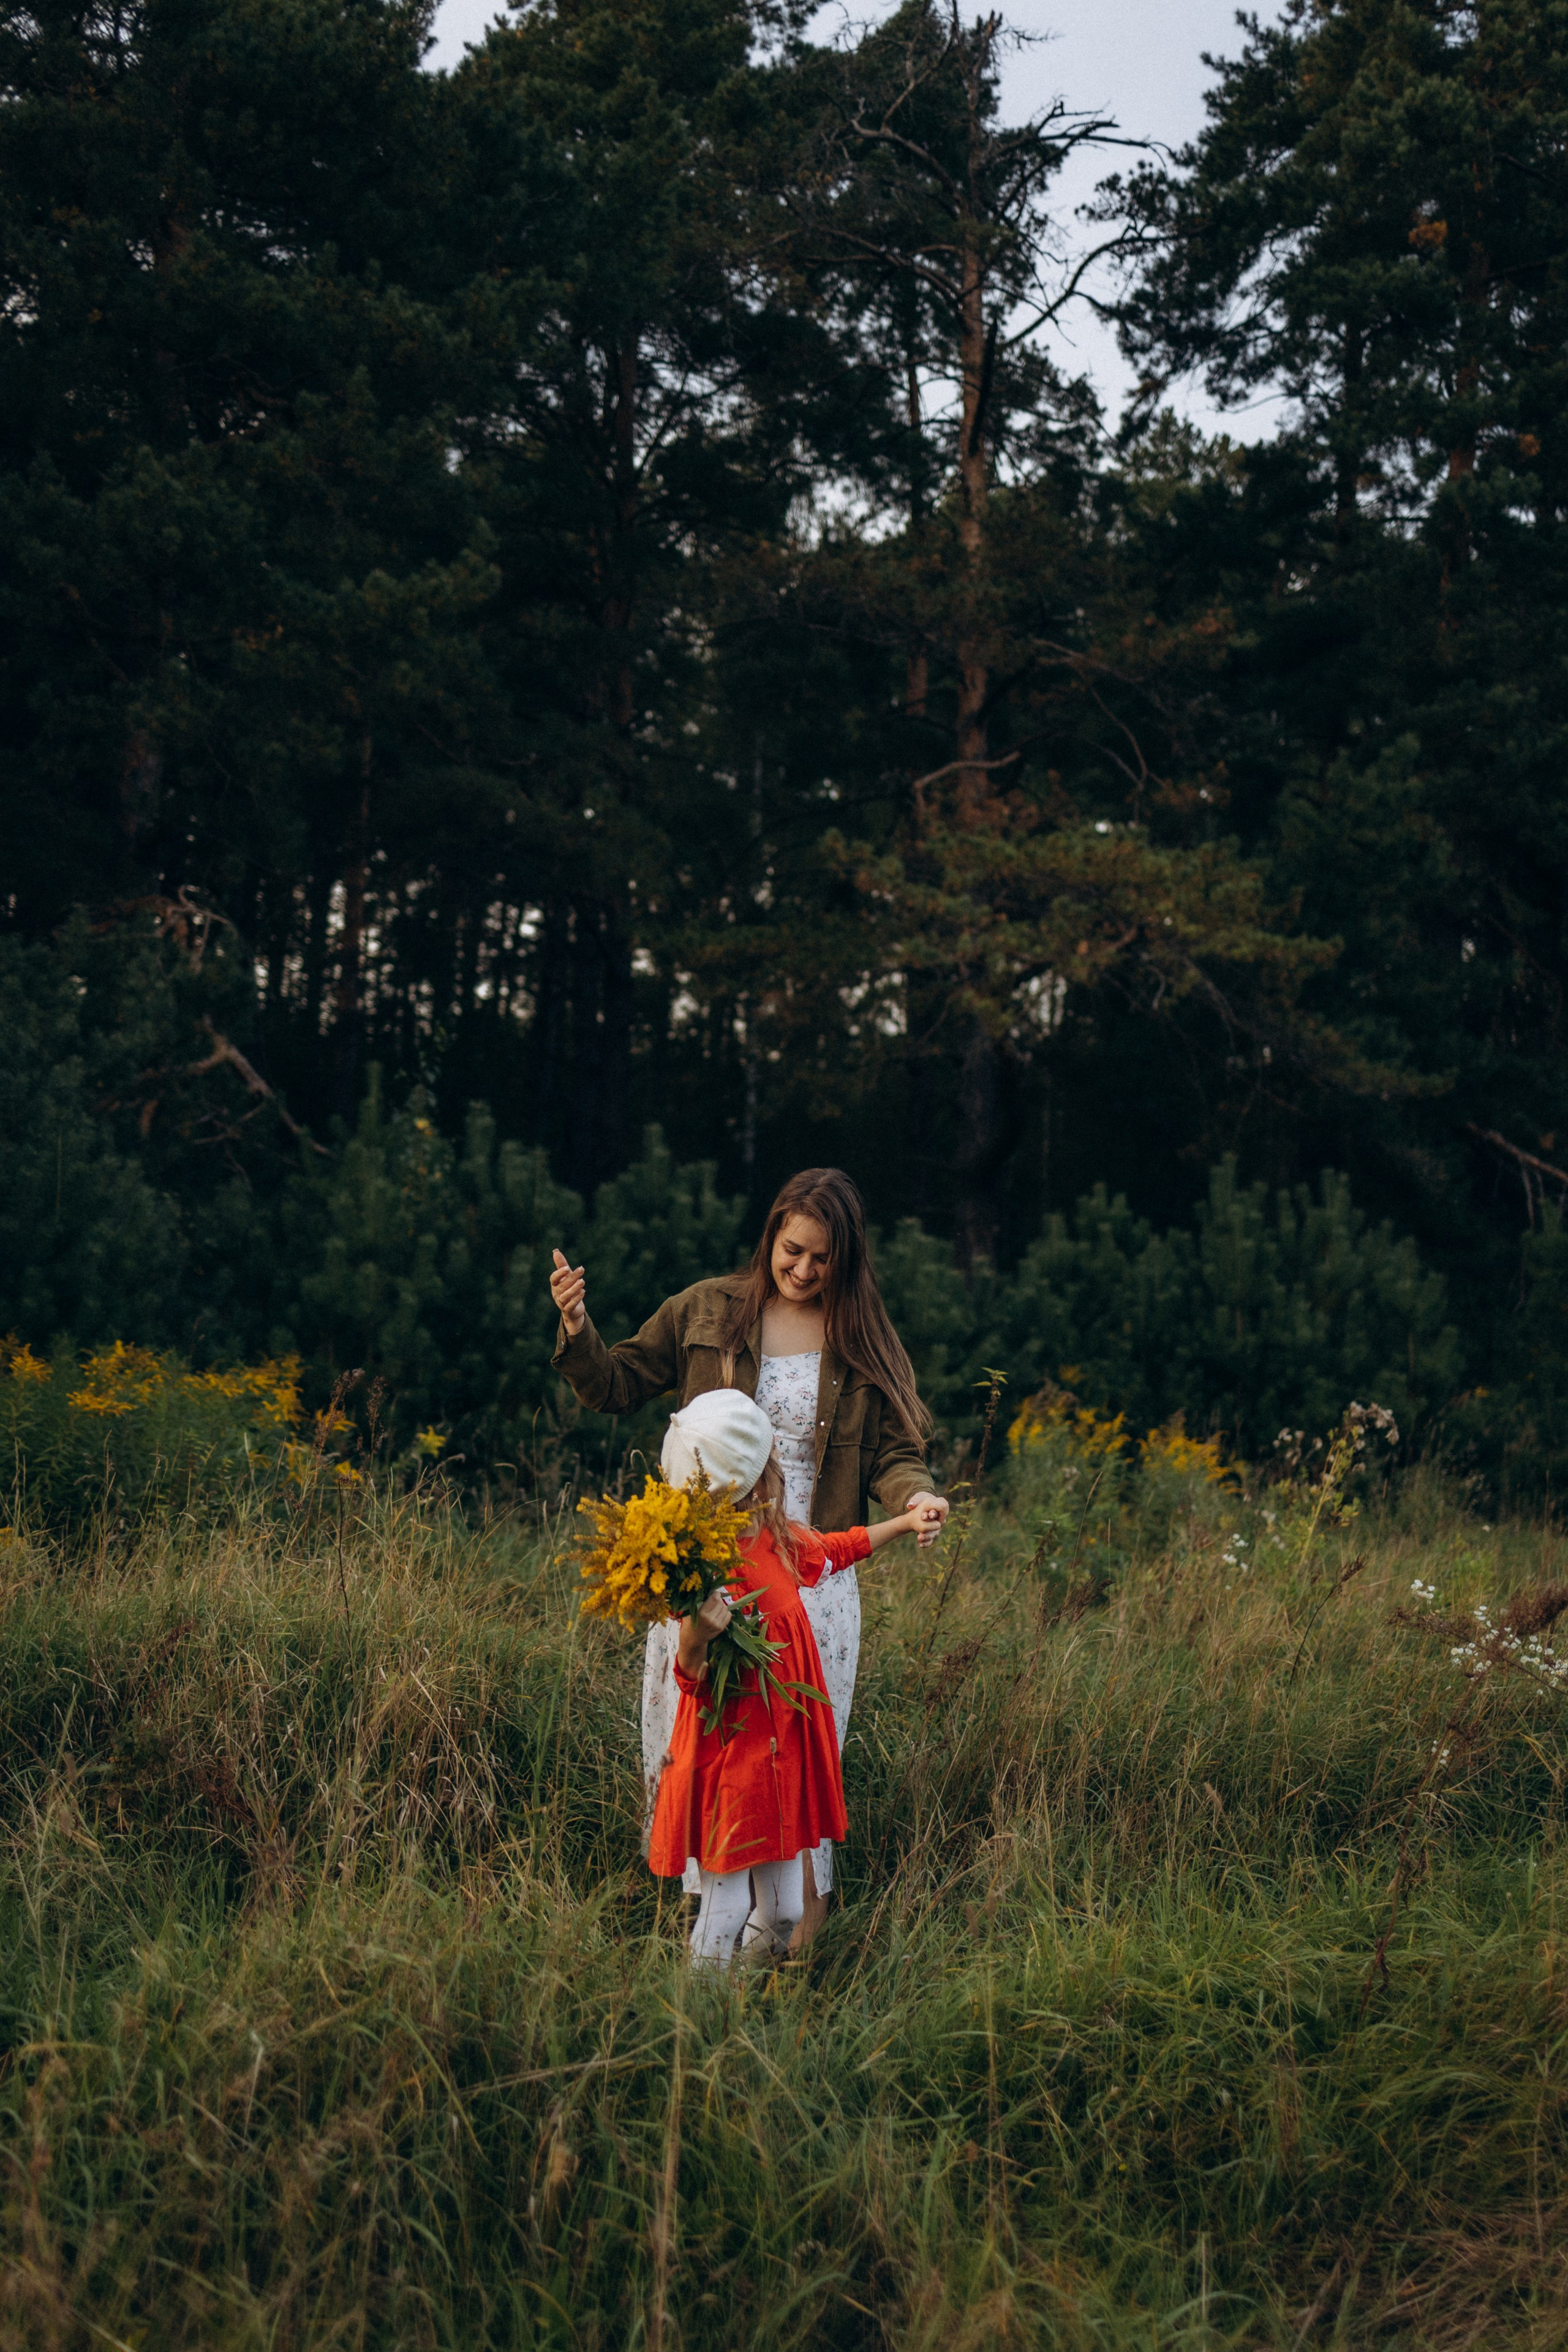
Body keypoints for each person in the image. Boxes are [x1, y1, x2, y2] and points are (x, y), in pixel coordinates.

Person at [549, 1165, 949, 1940]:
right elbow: (613, 1384)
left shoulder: (860, 1338)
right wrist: (576, 1326)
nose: (802, 1271)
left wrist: (913, 1499)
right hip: (711, 1576)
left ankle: (793, 1957)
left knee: (796, 1763)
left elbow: (897, 1453)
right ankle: (716, 1946)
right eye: (791, 1251)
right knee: (710, 1755)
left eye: (821, 1260)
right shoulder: (704, 1310)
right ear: (770, 1235)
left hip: (811, 1585)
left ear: (847, 1259)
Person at [646, 1388, 940, 1966]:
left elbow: (838, 1548)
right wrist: (697, 1635)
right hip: (729, 1759)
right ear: (755, 1480)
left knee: (784, 1913)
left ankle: (746, 2002)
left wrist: (905, 1524)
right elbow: (687, 1681)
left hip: (782, 1754)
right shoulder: (698, 1572)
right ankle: (699, 2024)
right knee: (726, 1910)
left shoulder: (775, 1541)